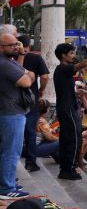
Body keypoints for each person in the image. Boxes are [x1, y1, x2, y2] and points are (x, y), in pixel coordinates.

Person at [53, 41, 87, 181]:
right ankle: (68, 169)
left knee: (69, 139)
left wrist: (78, 92)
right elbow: (82, 64)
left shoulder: (62, 71)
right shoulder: (64, 68)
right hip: (68, 110)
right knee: (74, 139)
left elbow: (65, 89)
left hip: (67, 108)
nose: (73, 56)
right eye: (71, 53)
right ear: (63, 55)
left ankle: (66, 168)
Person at [16, 35, 49, 173]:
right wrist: (41, 90)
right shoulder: (36, 58)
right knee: (30, 132)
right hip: (31, 99)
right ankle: (31, 162)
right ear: (29, 45)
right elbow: (45, 76)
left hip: (14, 100)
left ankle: (14, 162)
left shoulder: (10, 58)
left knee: (15, 132)